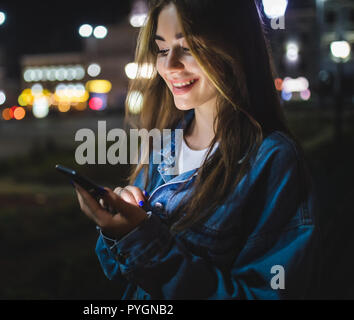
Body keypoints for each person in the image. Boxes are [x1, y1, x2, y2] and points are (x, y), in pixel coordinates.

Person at [73, 0, 321, 299]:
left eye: (188, 48)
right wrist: (119, 225)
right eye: (162, 50)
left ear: (234, 48)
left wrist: (143, 240)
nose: (169, 66)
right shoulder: (164, 143)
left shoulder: (272, 159)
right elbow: (120, 274)